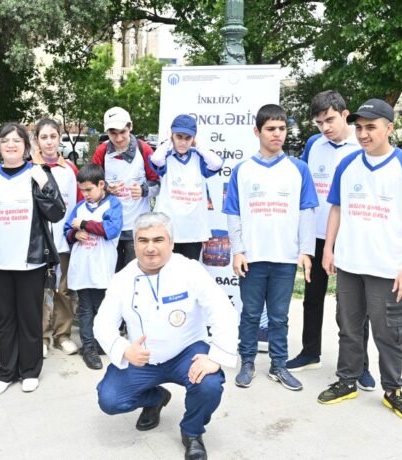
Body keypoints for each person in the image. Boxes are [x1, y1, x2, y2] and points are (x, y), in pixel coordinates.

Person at [94, 212, 238, 460]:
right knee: (110, 399)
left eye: (158, 240)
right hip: (143, 359)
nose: (150, 248)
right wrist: (123, 348)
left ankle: (192, 432)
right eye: (143, 240)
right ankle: (157, 398)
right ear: (134, 243)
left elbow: (221, 310)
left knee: (210, 384)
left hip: (186, 352)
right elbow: (102, 323)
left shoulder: (190, 270)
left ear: (171, 243)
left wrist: (215, 356)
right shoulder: (122, 279)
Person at [317, 99, 402, 424]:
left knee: (389, 333)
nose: (363, 134)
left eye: (371, 127)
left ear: (389, 128)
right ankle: (347, 380)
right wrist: (328, 248)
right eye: (359, 127)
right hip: (349, 265)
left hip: (387, 269)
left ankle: (393, 390)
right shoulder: (348, 164)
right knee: (348, 329)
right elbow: (336, 207)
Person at [224, 104, 318, 392]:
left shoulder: (298, 169)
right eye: (271, 129)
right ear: (257, 131)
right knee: (250, 314)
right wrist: (237, 251)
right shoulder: (242, 170)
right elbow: (233, 213)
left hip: (285, 257)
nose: (277, 134)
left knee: (279, 315)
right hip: (252, 257)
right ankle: (248, 363)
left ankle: (279, 365)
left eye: (282, 129)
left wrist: (306, 250)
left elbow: (306, 211)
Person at [286, 90, 376, 389]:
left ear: (345, 114)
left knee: (353, 306)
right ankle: (310, 351)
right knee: (312, 299)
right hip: (316, 235)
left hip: (350, 236)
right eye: (319, 122)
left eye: (330, 120)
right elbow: (304, 188)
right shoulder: (313, 145)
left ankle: (360, 364)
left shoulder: (361, 145)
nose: (325, 127)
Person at [0, 122, 65, 396]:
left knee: (29, 316)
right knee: (4, 318)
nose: (11, 145)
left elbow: (57, 212)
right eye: (5, 140)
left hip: (30, 259)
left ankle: (29, 370)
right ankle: (6, 371)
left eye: (17, 140)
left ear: (27, 146)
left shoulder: (38, 173)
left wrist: (44, 187)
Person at [65, 164, 122, 370]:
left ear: (101, 184)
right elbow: (67, 229)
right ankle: (88, 347)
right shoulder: (79, 207)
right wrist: (74, 234)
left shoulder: (113, 205)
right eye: (83, 190)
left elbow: (111, 229)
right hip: (82, 267)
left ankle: (101, 342)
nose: (86, 194)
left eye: (89, 189)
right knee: (85, 308)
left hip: (102, 268)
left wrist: (83, 224)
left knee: (102, 308)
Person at [32, 118, 80, 358]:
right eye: (44, 137)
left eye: (53, 136)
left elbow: (78, 203)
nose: (49, 142)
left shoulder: (69, 169)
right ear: (36, 140)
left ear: (59, 138)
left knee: (63, 290)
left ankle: (63, 334)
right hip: (39, 243)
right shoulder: (30, 168)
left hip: (63, 241)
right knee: (41, 291)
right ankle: (41, 336)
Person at [92, 106, 160, 272]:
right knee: (110, 275)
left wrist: (143, 190)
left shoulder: (144, 149)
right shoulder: (101, 151)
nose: (119, 137)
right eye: (113, 133)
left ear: (130, 127)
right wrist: (107, 189)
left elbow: (157, 184)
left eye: (123, 131)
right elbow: (91, 184)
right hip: (109, 225)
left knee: (135, 274)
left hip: (137, 226)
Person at [150, 114, 223, 261]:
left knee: (190, 275)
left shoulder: (199, 158)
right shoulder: (167, 158)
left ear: (193, 138)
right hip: (168, 228)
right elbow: (156, 159)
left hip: (193, 229)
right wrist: (168, 142)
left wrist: (198, 146)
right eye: (179, 136)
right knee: (167, 272)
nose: (183, 142)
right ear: (172, 136)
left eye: (187, 138)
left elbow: (216, 163)